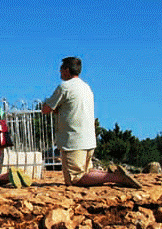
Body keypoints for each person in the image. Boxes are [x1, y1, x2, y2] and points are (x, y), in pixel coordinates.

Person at [42, 57, 141, 188]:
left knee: (75, 178)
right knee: (86, 171)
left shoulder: (64, 87)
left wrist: (49, 104)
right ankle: (111, 174)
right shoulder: (86, 87)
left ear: (66, 70)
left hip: (73, 141)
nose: (59, 72)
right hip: (88, 138)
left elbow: (46, 109)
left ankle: (116, 177)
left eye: (61, 69)